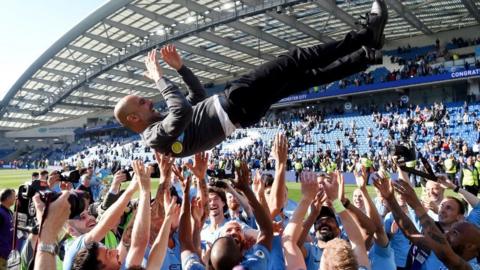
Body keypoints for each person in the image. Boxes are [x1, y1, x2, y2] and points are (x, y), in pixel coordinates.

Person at [114, 0, 388, 157]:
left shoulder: (162, 126)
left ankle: (365, 58)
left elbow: (195, 98)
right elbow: (183, 109)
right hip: (235, 102)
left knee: (304, 78)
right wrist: (159, 78)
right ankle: (367, 35)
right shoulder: (153, 136)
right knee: (294, 61)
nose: (148, 100)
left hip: (241, 111)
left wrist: (181, 69)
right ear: (134, 118)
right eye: (141, 102)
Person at [0, 189, 15, 268]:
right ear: (8, 198)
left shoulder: (8, 211)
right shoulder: (1, 213)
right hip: (2, 254)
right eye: (13, 196)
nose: (15, 198)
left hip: (8, 253)